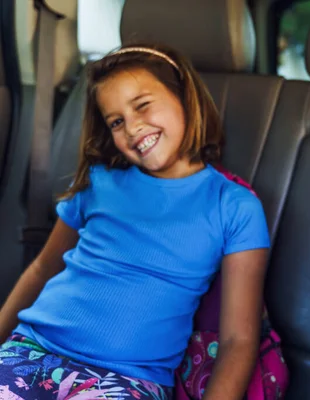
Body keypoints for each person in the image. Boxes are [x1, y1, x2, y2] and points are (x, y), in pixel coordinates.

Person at [0, 43, 270, 400]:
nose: (132, 128)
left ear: (185, 96)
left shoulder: (234, 206)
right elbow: (42, 269)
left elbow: (238, 340)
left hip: (125, 379)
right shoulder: (100, 182)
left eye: (142, 105)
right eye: (116, 121)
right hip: (33, 348)